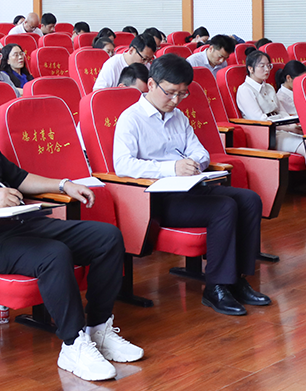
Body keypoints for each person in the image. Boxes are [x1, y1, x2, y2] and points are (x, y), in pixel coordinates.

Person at [0, 71, 144, 382]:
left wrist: (63, 184)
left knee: (107, 237)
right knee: (54, 254)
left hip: (24, 222)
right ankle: (73, 345)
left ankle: (98, 328)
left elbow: (19, 178)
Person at [113, 55, 270, 316]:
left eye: (182, 94)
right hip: (158, 198)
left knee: (249, 199)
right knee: (224, 207)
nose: (176, 100)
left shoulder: (179, 117)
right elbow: (123, 165)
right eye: (170, 92)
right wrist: (171, 168)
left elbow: (201, 152)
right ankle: (217, 286)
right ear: (151, 84)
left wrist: (194, 162)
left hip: (191, 187)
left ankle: (238, 279)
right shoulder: (131, 118)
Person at [234, 50, 306, 160]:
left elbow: (282, 112)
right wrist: (289, 129)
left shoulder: (269, 87)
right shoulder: (245, 90)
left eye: (268, 66)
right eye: (262, 66)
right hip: (268, 134)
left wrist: (292, 126)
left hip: (283, 129)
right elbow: (260, 120)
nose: (267, 69)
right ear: (251, 69)